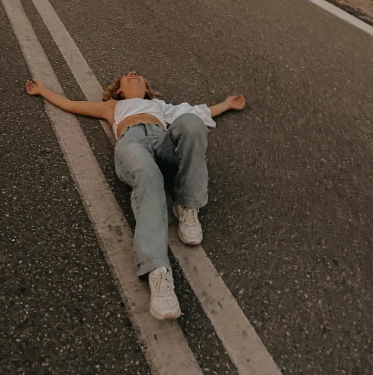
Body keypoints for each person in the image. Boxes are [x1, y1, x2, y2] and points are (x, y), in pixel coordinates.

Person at [26, 71, 246, 321]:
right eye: (127, 75)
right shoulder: (113, 106)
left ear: (146, 89)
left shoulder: (160, 107)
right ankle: (158, 273)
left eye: (139, 75)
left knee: (191, 123)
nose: (134, 74)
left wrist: (227, 105)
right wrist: (42, 91)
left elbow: (199, 113)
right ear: (119, 90)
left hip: (163, 142)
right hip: (133, 146)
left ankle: (187, 206)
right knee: (149, 178)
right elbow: (70, 104)